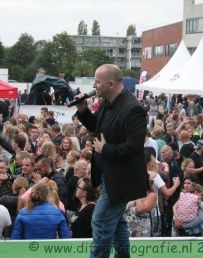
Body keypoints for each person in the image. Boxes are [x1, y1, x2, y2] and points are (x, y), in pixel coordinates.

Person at [75, 64, 148, 258]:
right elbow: (96, 126)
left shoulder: (133, 109)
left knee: (100, 221)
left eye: (97, 82)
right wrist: (83, 110)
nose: (94, 85)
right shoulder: (108, 103)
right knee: (116, 224)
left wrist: (105, 149)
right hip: (109, 174)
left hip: (122, 178)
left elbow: (134, 147)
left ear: (111, 83)